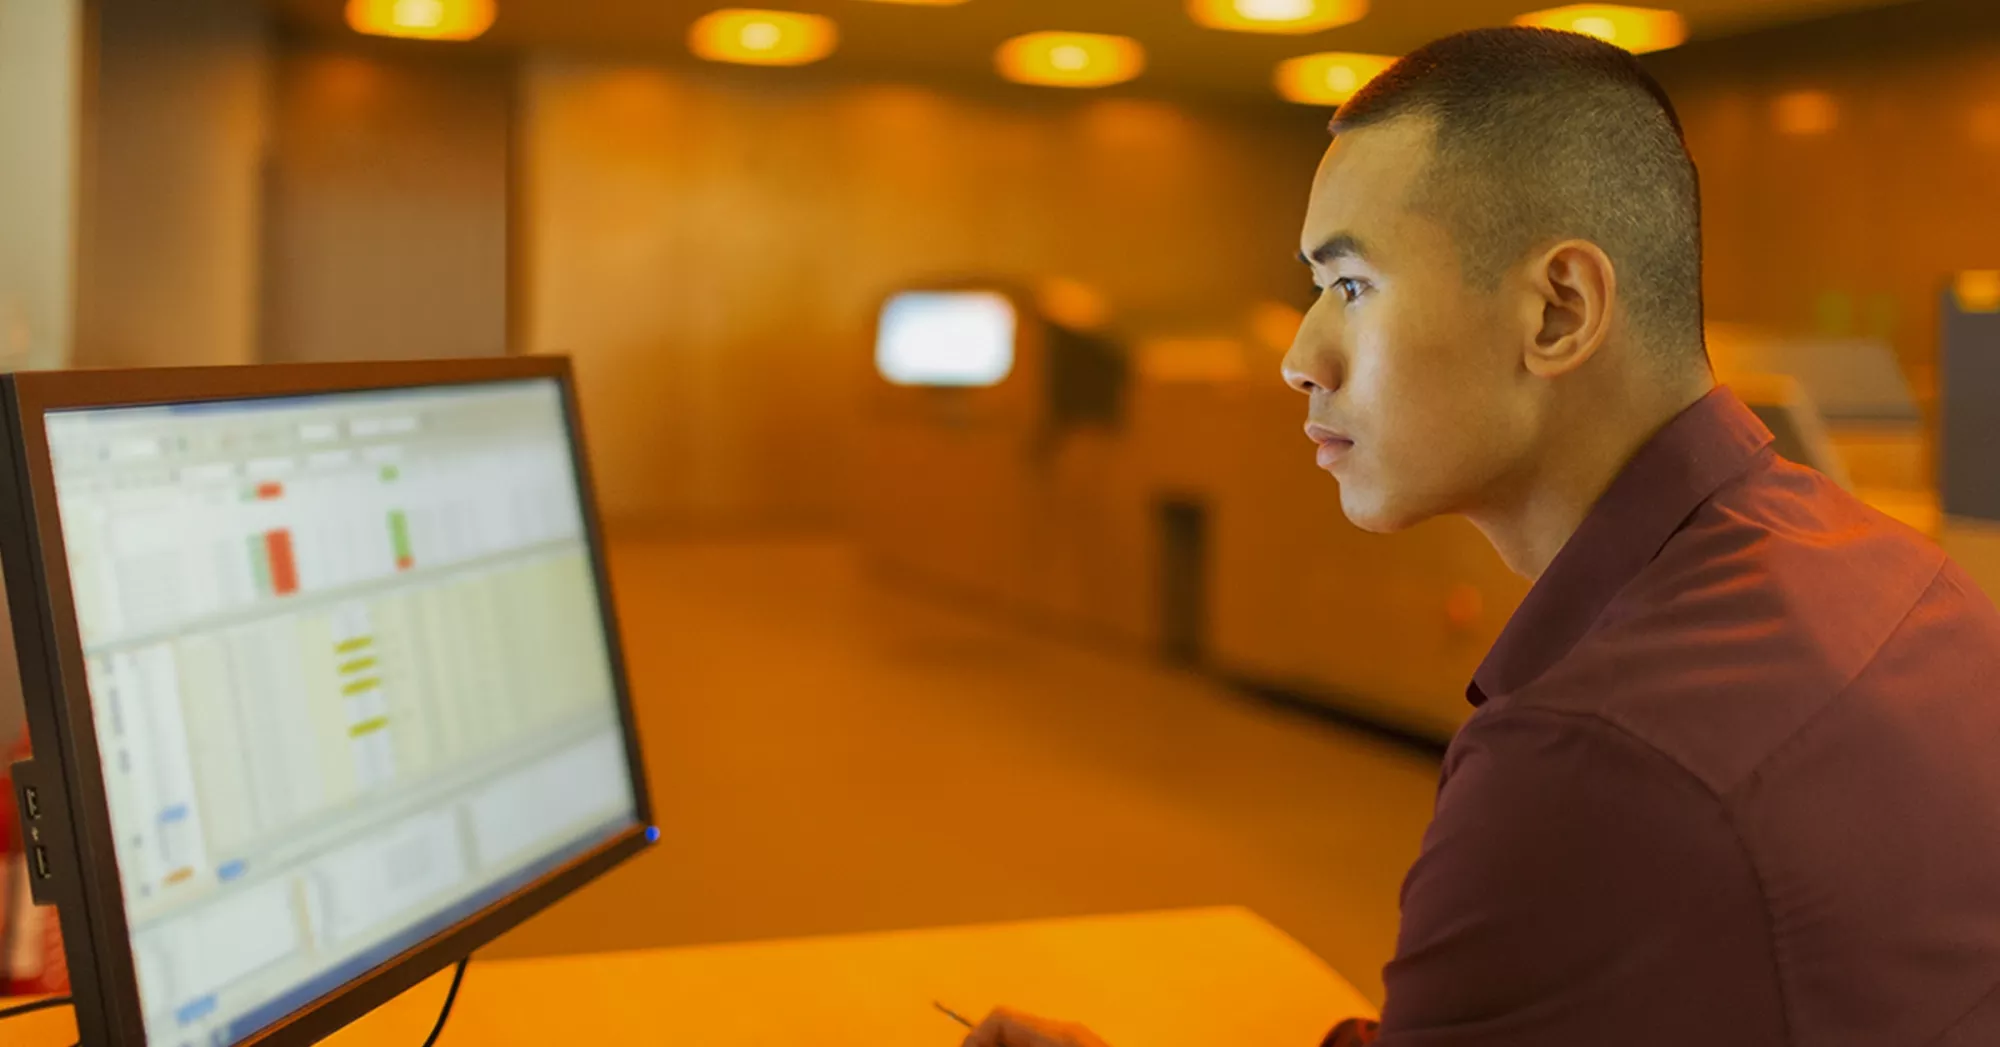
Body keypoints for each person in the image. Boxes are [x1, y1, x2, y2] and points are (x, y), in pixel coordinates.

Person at [964, 25, 2000, 1047]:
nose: (1298, 354)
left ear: (1556, 312)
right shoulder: (1909, 577)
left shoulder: (1586, 764)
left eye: (1350, 287)